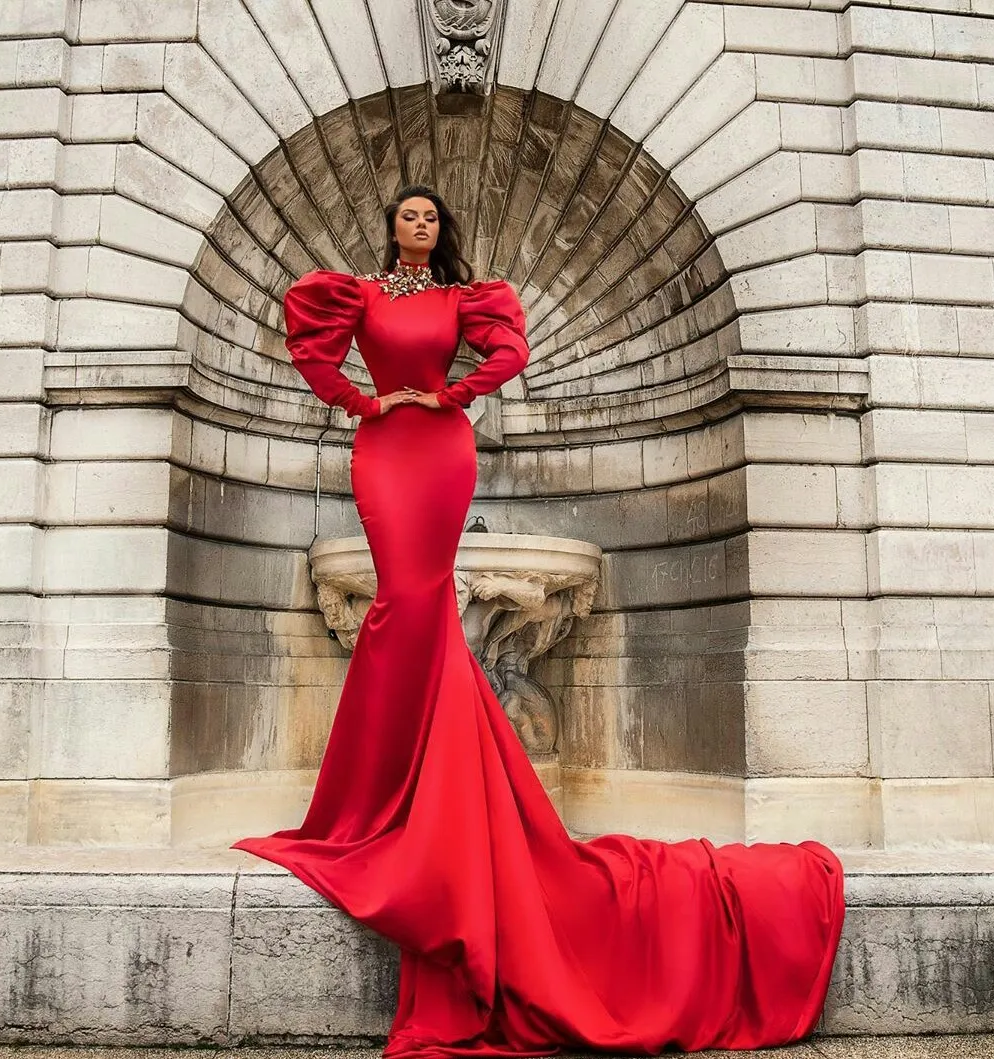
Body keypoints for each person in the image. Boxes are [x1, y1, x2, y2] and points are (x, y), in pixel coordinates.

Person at [233, 185, 845, 1059]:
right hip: (385, 453)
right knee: (401, 606)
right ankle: (368, 800)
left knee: (423, 602)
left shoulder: (460, 298)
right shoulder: (359, 293)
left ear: (443, 231)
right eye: (407, 215)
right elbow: (310, 346)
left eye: (431, 218)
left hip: (443, 452)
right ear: (390, 225)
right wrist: (367, 406)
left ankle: (423, 790)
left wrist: (456, 394)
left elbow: (510, 350)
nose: (418, 225)